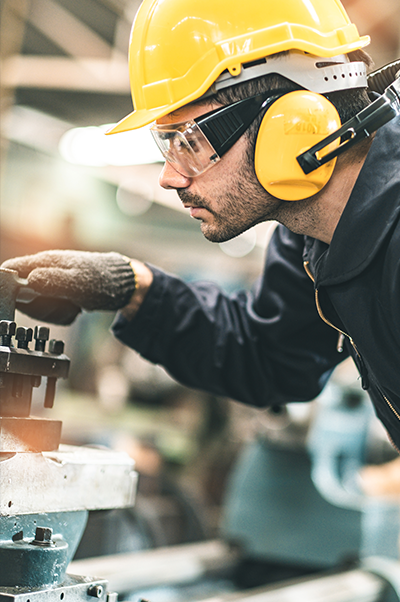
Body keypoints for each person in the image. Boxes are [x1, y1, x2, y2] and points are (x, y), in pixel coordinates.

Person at [3, 0, 400, 451]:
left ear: (293, 125)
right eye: (166, 143)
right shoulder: (310, 233)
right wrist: (133, 288)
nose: (169, 177)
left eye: (189, 140)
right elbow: (270, 356)